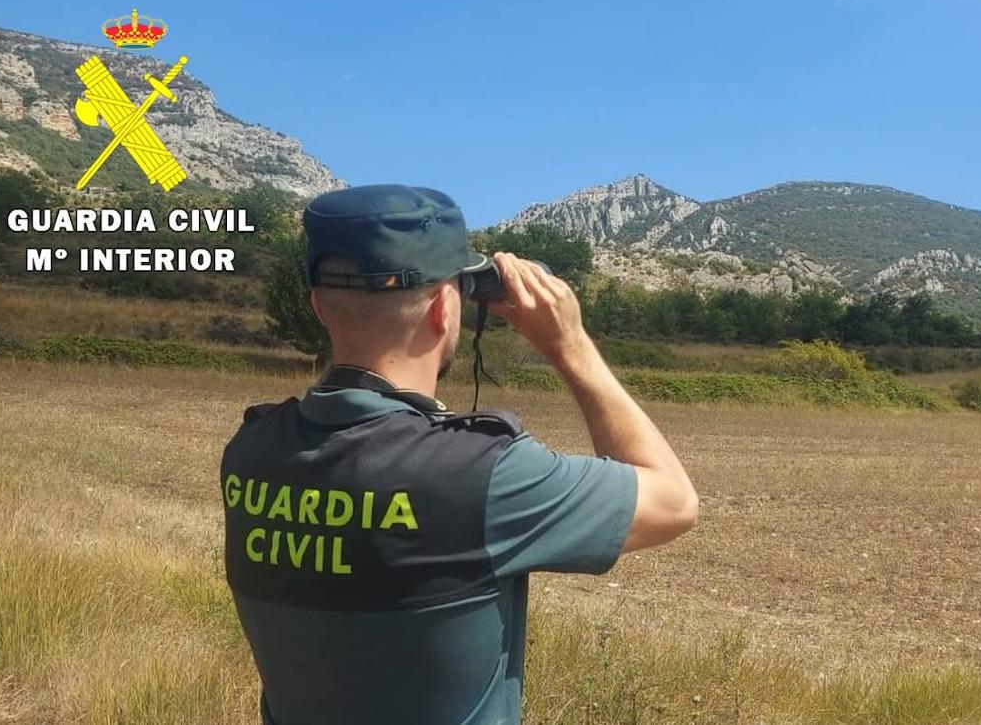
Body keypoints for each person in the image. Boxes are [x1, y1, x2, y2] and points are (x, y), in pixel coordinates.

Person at [220, 184, 699, 725]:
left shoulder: (250, 452)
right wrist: (569, 346)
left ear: (317, 306)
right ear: (446, 309)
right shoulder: (480, 475)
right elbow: (674, 502)